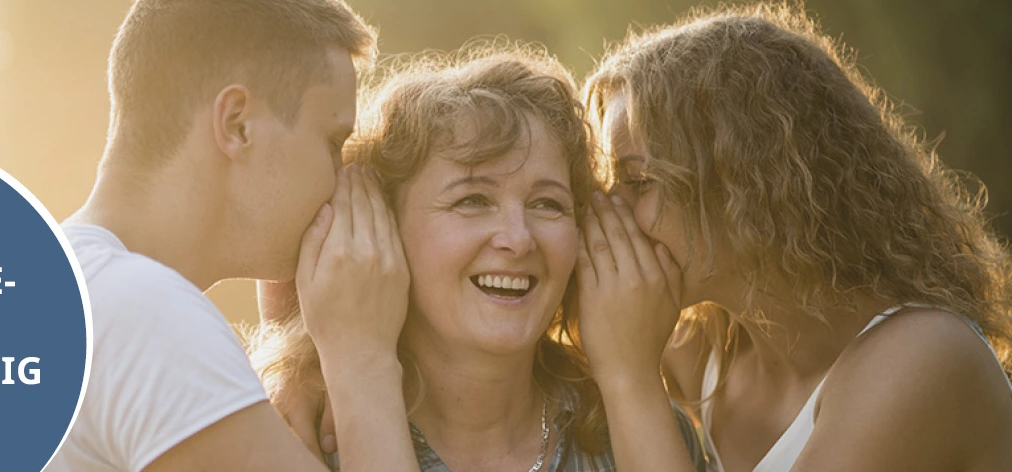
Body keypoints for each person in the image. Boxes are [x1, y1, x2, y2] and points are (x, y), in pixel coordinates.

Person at [576, 0, 1012, 471]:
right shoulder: (701, 345)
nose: (609, 209)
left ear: (749, 184)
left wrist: (630, 377)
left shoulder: (924, 358)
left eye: (637, 181)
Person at [252, 43, 705, 471]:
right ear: (381, 231)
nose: (518, 239)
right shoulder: (296, 441)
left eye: (547, 204)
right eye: (471, 200)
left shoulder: (645, 431)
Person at [49, 0, 420, 470]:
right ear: (237, 125)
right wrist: (362, 361)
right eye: (332, 143)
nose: (342, 180)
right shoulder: (145, 315)